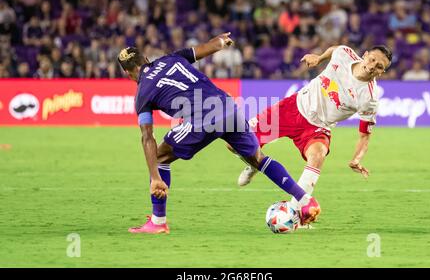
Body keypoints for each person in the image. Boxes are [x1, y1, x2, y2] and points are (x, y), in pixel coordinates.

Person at [117, 32, 320, 234]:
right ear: (145, 59)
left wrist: (154, 177)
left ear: (128, 74)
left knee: (160, 157)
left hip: (204, 119)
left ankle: (158, 222)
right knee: (258, 158)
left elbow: (147, 137)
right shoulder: (171, 58)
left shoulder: (142, 92)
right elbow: (210, 46)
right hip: (227, 106)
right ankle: (305, 200)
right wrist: (223, 40)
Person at [233, 45, 392, 219]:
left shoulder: (369, 98)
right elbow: (334, 49)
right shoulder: (344, 54)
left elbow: (365, 135)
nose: (372, 66)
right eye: (372, 60)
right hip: (293, 108)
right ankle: (255, 164)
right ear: (365, 55)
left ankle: (294, 213)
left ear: (382, 72)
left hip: (317, 127)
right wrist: (319, 58)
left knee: (317, 155)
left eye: (379, 67)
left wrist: (356, 159)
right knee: (233, 143)